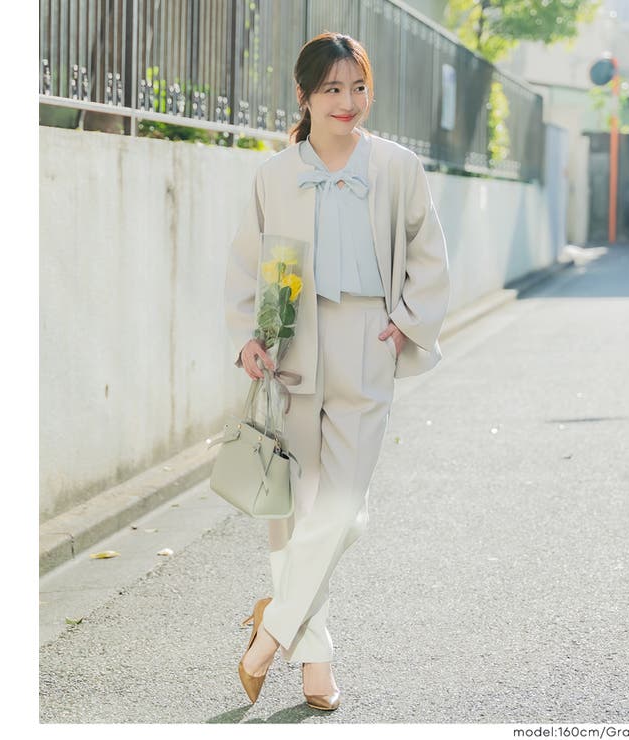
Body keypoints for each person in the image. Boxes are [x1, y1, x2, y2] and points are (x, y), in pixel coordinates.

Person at [224, 31, 450, 711]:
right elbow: (247, 263)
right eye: (332, 89)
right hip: (290, 344)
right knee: (292, 510)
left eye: (358, 87)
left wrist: (405, 321)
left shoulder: (397, 167)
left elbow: (428, 252)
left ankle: (272, 629)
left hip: (366, 340)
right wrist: (248, 336)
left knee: (344, 509)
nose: (347, 101)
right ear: (304, 95)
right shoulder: (274, 175)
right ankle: (314, 661)